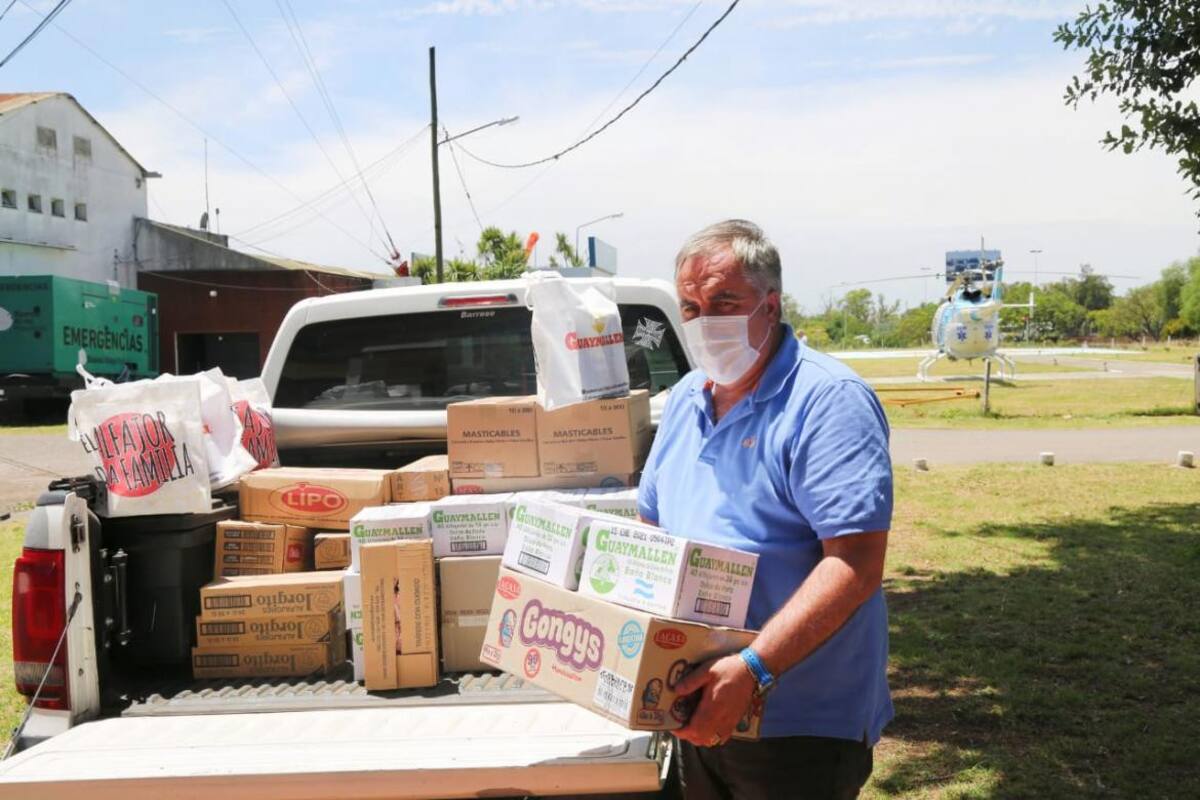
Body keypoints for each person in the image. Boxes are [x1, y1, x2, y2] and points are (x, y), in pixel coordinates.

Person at [639, 220, 893, 799]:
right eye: (690, 306)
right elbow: (651, 529)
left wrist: (753, 669)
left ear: (771, 305)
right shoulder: (684, 400)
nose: (705, 322)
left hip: (799, 724)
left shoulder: (828, 401)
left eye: (724, 301)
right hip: (695, 702)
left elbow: (855, 563)